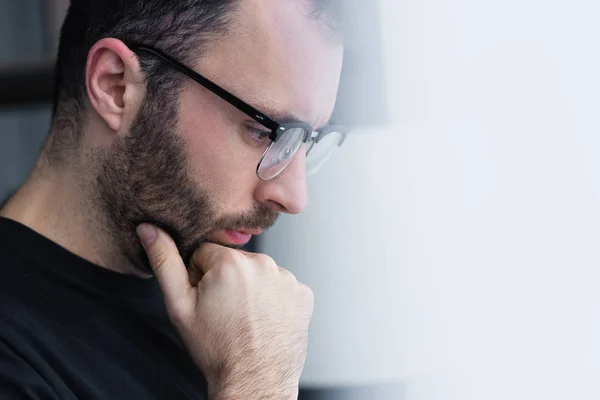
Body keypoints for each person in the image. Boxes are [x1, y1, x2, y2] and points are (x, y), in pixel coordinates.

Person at [0, 0, 346, 399]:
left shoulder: (237, 305)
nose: (294, 197)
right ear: (116, 87)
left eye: (307, 140)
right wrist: (256, 383)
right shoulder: (16, 358)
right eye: (263, 132)